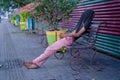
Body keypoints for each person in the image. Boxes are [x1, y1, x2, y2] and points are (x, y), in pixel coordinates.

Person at [23, 9, 95, 69]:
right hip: (68, 38)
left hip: (68, 40)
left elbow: (77, 34)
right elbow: (74, 33)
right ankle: (36, 63)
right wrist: (65, 35)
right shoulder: (82, 24)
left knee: (49, 49)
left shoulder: (86, 25)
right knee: (49, 49)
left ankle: (34, 63)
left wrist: (64, 35)